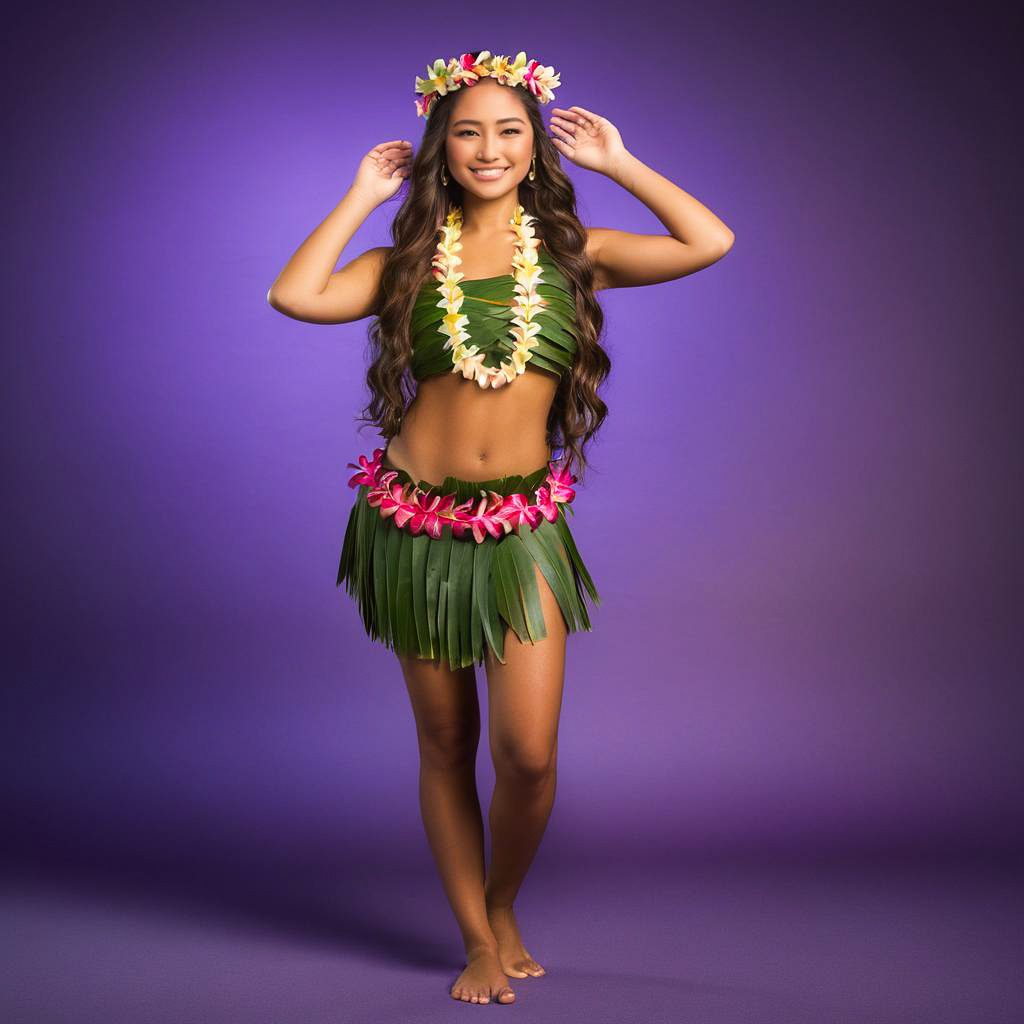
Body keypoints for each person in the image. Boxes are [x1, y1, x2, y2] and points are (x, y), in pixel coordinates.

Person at [267, 48, 734, 1006]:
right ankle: (478, 937)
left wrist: (624, 164)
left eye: (509, 129)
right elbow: (296, 295)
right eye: (469, 130)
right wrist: (359, 193)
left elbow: (708, 241)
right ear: (442, 146)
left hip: (519, 529)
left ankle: (504, 897)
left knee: (527, 754)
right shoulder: (406, 262)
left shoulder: (576, 254)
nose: (489, 148)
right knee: (445, 744)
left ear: (534, 145)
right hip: (412, 526)